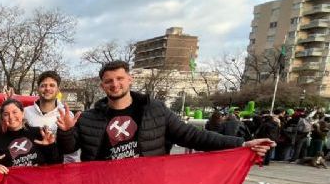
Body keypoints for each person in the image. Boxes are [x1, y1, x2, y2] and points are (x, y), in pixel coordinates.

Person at [56, 60, 274, 161]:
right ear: (102, 86)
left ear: (129, 79)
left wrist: (240, 144)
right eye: (109, 81)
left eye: (120, 78)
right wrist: (66, 131)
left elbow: (192, 136)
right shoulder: (90, 118)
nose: (115, 84)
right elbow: (69, 148)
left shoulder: (155, 110)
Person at [23, 70, 78, 163]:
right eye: (43, 85)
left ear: (58, 89)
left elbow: (72, 149)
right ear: (38, 89)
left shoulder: (66, 114)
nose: (47, 88)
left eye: (52, 85)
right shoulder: (25, 112)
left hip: (58, 167)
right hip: (33, 167)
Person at [0, 99, 58, 167]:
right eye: (6, 114)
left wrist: (50, 146)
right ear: (2, 118)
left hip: (39, 178)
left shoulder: (39, 133)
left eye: (15, 112)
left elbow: (57, 163)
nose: (11, 117)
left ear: (22, 113)